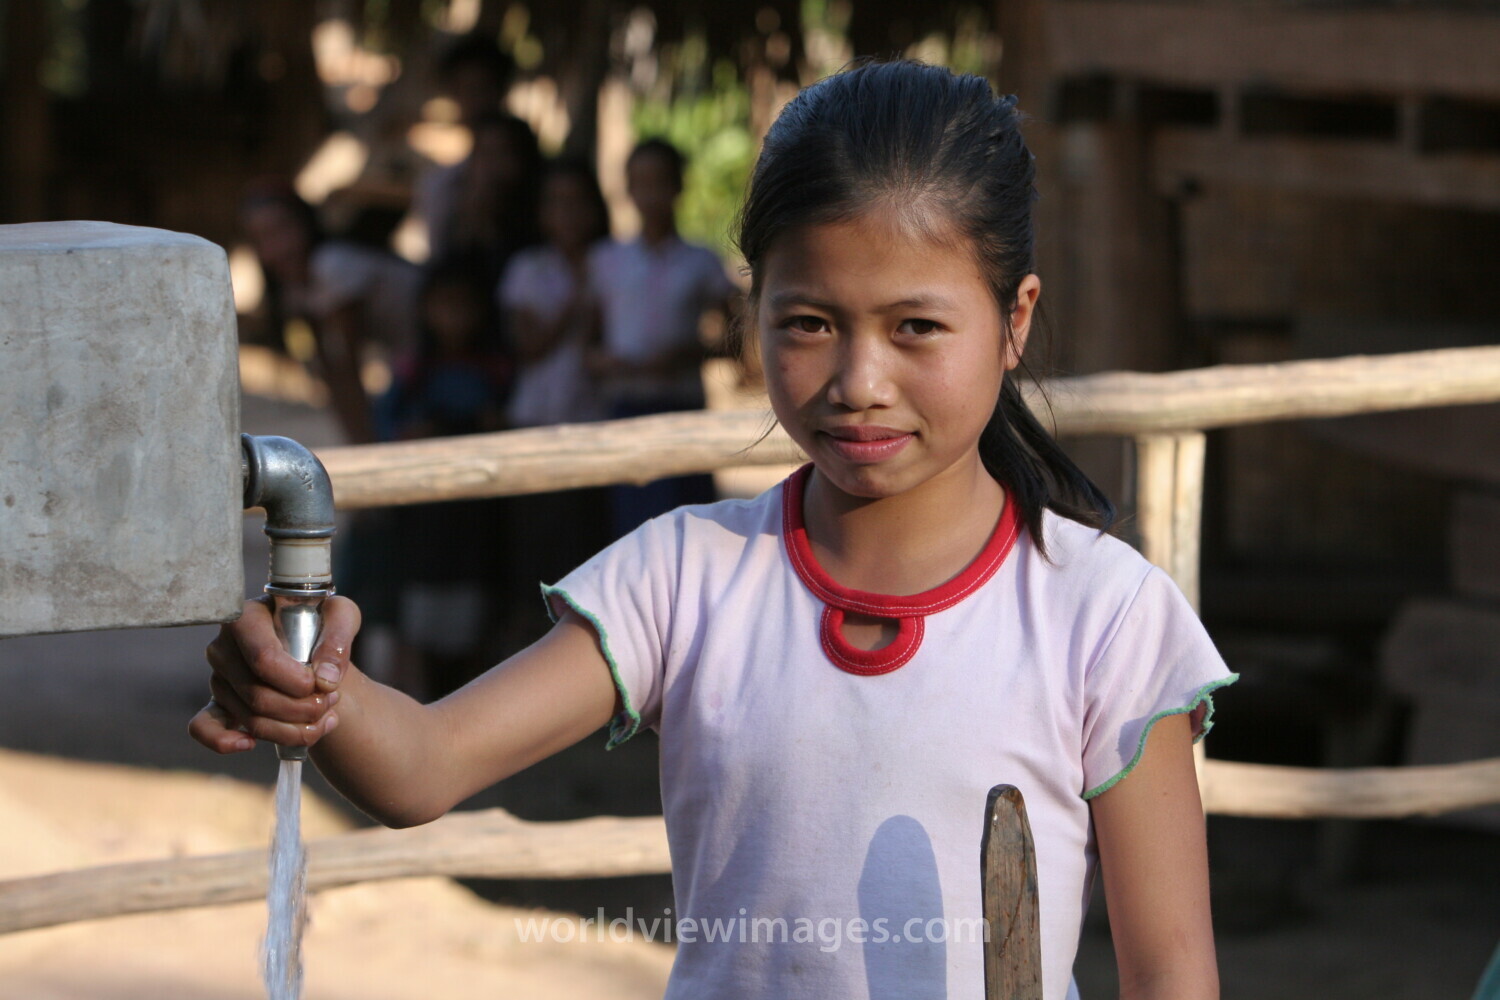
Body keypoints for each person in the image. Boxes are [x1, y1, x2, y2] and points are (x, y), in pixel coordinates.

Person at [194, 61, 1236, 1000]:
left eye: (916, 326)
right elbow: (424, 763)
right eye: (808, 322)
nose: (859, 383)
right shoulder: (689, 576)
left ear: (1014, 320)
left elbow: (1171, 970)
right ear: (753, 316)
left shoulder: (1101, 614)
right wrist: (314, 690)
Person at [589, 138, 738, 536]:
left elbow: (739, 335)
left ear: (678, 186)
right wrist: (606, 361)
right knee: (630, 529)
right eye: (641, 182)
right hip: (625, 404)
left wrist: (691, 354)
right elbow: (588, 342)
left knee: (689, 525)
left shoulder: (702, 261)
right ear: (627, 189)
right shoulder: (605, 261)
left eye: (660, 181)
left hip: (682, 405)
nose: (650, 193)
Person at [495, 158, 614, 632]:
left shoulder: (612, 263)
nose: (566, 214)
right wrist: (576, 301)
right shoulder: (528, 268)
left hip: (593, 420)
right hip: (535, 418)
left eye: (576, 203)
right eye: (555, 203)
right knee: (535, 538)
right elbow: (529, 346)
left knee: (584, 538)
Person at [241, 180, 421, 445]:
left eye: (281, 230)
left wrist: (366, 444)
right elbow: (330, 371)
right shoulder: (296, 291)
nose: (277, 247)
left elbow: (347, 362)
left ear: (306, 225)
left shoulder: (333, 265)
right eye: (261, 238)